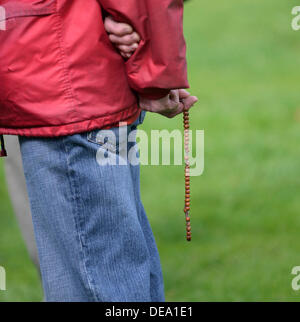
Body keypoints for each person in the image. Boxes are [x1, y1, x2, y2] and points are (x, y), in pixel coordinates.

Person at [0, 0, 197, 302]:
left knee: (102, 285)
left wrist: (152, 71)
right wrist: (152, 72)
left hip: (70, 95)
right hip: (67, 90)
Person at [3, 14, 150, 286]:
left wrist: (130, 18)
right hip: (55, 97)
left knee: (98, 270)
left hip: (68, 98)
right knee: (96, 266)